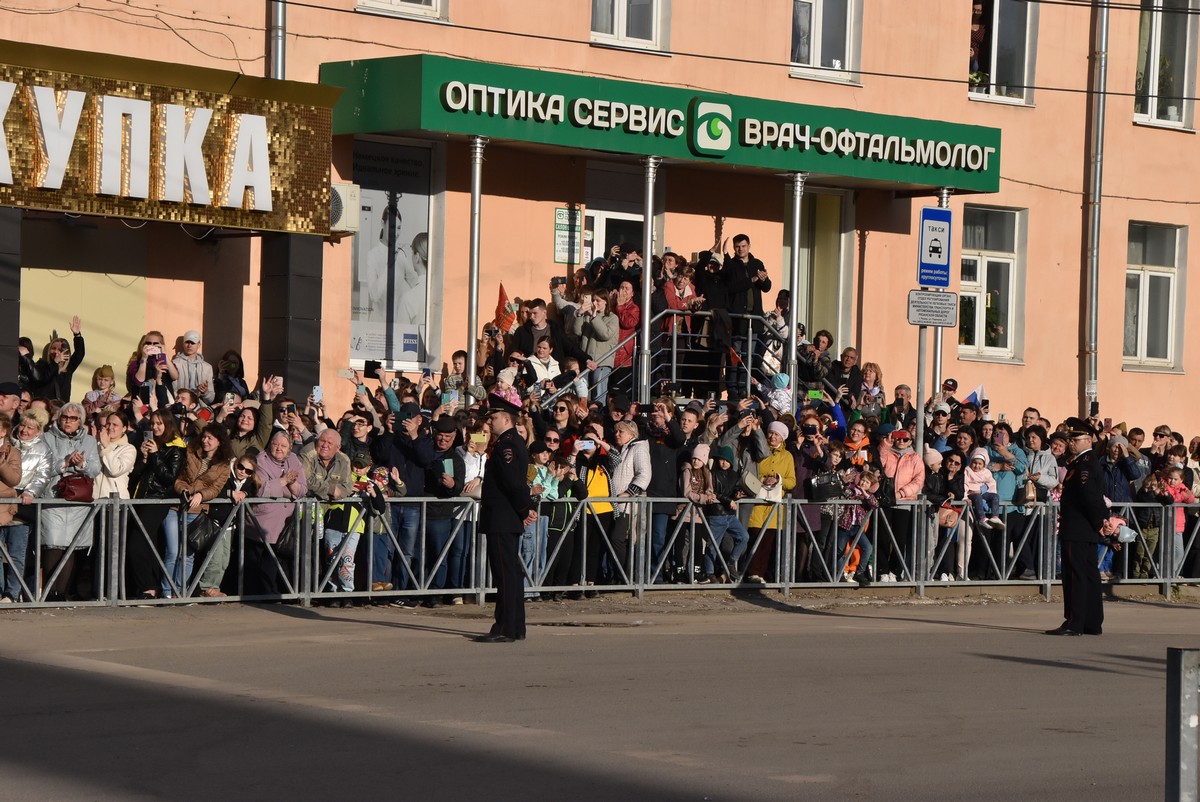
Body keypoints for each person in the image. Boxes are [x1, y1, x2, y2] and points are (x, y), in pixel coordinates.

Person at [477, 394, 535, 643]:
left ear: (505, 418)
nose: (489, 423)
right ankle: (515, 625)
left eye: (493, 418)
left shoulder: (507, 444)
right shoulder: (510, 442)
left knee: (505, 574)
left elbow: (512, 482)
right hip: (504, 517)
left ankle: (506, 627)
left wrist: (525, 508)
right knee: (509, 573)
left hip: (502, 517)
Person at [1046, 418, 1108, 636]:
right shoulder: (1082, 462)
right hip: (1084, 527)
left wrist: (1100, 522)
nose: (1071, 442)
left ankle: (1075, 622)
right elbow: (1096, 498)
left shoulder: (1085, 464)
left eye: (1076, 438)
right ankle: (1091, 622)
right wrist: (1102, 521)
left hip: (1078, 528)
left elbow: (1089, 498)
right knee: (1089, 574)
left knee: (1075, 575)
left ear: (1088, 440)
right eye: (1070, 438)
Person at [40, 402, 101, 601]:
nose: (68, 421)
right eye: (65, 417)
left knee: (71, 547)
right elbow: (43, 468)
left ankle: (62, 594)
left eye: (73, 418)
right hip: (53, 498)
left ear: (80, 421)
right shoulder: (47, 438)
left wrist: (81, 463)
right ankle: (50, 593)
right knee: (53, 544)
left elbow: (95, 469)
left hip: (78, 501)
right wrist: (65, 463)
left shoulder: (90, 441)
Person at [167, 424, 233, 597]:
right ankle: (167, 591)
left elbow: (216, 489)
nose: (205, 441)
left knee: (187, 554)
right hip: (177, 506)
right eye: (204, 437)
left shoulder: (224, 465)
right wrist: (183, 490)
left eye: (210, 438)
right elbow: (178, 478)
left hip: (197, 510)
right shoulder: (191, 453)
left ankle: (181, 592)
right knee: (172, 551)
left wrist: (201, 495)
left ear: (219, 442)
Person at [2, 409, 51, 602]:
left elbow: (43, 475)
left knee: (16, 552)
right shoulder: (7, 443)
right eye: (23, 425)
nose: (24, 430)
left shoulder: (44, 449)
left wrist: (31, 492)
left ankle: (11, 593)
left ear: (38, 431)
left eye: (30, 427)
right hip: (3, 499)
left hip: (23, 503)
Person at [22, 316, 85, 403]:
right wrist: (55, 362)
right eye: (53, 348)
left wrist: (77, 335)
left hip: (60, 408)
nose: (56, 352)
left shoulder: (68, 367)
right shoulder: (42, 365)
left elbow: (79, 353)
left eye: (59, 350)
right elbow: (42, 378)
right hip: (44, 407)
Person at [173, 330, 215, 404]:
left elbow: (210, 399)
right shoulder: (175, 364)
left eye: (193, 343)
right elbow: (173, 390)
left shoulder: (207, 367)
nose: (189, 345)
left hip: (199, 407)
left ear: (198, 345)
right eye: (187, 342)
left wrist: (205, 392)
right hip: (180, 405)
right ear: (183, 344)